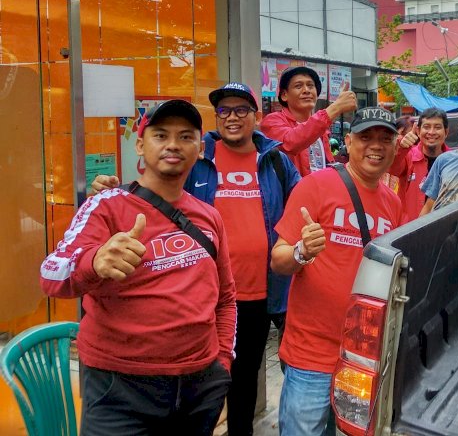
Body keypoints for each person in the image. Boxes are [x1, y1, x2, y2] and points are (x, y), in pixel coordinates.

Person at [90, 82, 300, 436]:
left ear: (256, 116)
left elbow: (299, 207)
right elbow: (158, 192)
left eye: (241, 110)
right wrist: (117, 190)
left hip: (261, 292)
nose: (232, 117)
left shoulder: (277, 161)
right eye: (224, 111)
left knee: (246, 375)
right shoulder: (197, 156)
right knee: (208, 379)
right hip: (203, 294)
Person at [40, 100, 236, 434]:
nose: (173, 144)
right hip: (120, 388)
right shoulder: (106, 206)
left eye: (185, 136)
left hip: (199, 385)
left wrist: (221, 366)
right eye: (161, 135)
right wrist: (95, 261)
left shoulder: (208, 215)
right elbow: (50, 274)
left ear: (200, 150)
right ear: (141, 145)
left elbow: (226, 298)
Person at [271, 107, 404, 435]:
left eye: (385, 139)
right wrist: (302, 251)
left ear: (396, 146)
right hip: (311, 355)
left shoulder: (393, 203)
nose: (376, 145)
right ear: (347, 141)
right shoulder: (316, 185)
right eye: (366, 137)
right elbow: (278, 259)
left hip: (362, 357)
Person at [261, 66, 358, 176]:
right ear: (284, 95)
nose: (306, 90)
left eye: (310, 85)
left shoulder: (322, 129)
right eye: (298, 86)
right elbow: (290, 143)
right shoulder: (272, 121)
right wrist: (335, 108)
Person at [386, 107, 450, 218]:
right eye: (426, 127)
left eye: (437, 127)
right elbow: (392, 168)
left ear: (446, 132)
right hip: (410, 230)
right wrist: (401, 148)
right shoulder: (409, 155)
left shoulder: (453, 161)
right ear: (419, 131)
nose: (431, 132)